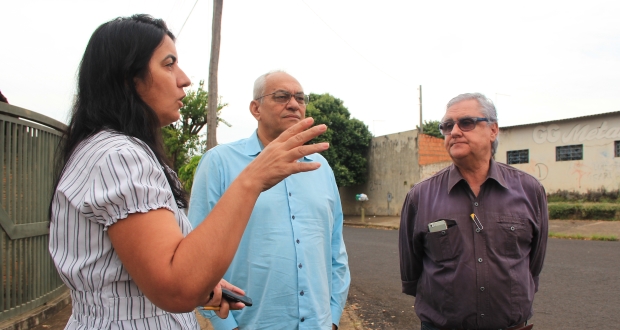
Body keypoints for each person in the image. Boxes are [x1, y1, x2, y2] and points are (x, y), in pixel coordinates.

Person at [49, 16, 329, 330]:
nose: (184, 79)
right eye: (169, 64)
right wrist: (253, 178)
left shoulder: (117, 151)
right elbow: (175, 284)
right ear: (130, 77)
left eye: (300, 97)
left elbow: (141, 276)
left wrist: (205, 290)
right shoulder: (119, 156)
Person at [188, 71, 350, 330]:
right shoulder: (219, 163)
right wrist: (227, 326)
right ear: (256, 108)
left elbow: (335, 251)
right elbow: (194, 256)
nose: (294, 104)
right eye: (282, 96)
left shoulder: (322, 168)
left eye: (300, 97)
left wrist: (332, 318)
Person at [399, 93, 548, 330]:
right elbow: (411, 270)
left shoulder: (530, 190)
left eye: (466, 123)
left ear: (493, 130)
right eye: (447, 126)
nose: (454, 131)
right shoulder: (420, 196)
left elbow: (533, 264)